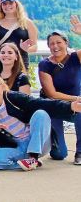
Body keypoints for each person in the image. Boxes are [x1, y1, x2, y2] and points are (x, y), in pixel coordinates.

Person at [0, 74, 81, 171]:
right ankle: (27, 164)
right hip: (19, 146)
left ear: (1, 85)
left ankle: (33, 158)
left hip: (37, 141)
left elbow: (42, 103)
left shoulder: (13, 97)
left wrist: (70, 106)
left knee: (41, 114)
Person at [38, 29, 81, 164]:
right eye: (51, 44)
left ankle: (80, 152)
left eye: (59, 42)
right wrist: (76, 98)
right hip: (55, 105)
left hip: (77, 104)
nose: (55, 46)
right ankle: (57, 147)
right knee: (59, 154)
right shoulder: (45, 64)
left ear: (66, 43)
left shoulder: (76, 57)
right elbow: (52, 94)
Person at [0, 0, 38, 68]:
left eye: (10, 3)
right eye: (4, 4)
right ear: (1, 6)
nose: (7, 6)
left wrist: (27, 49)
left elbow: (35, 47)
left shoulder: (28, 23)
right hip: (1, 64)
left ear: (16, 4)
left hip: (21, 64)